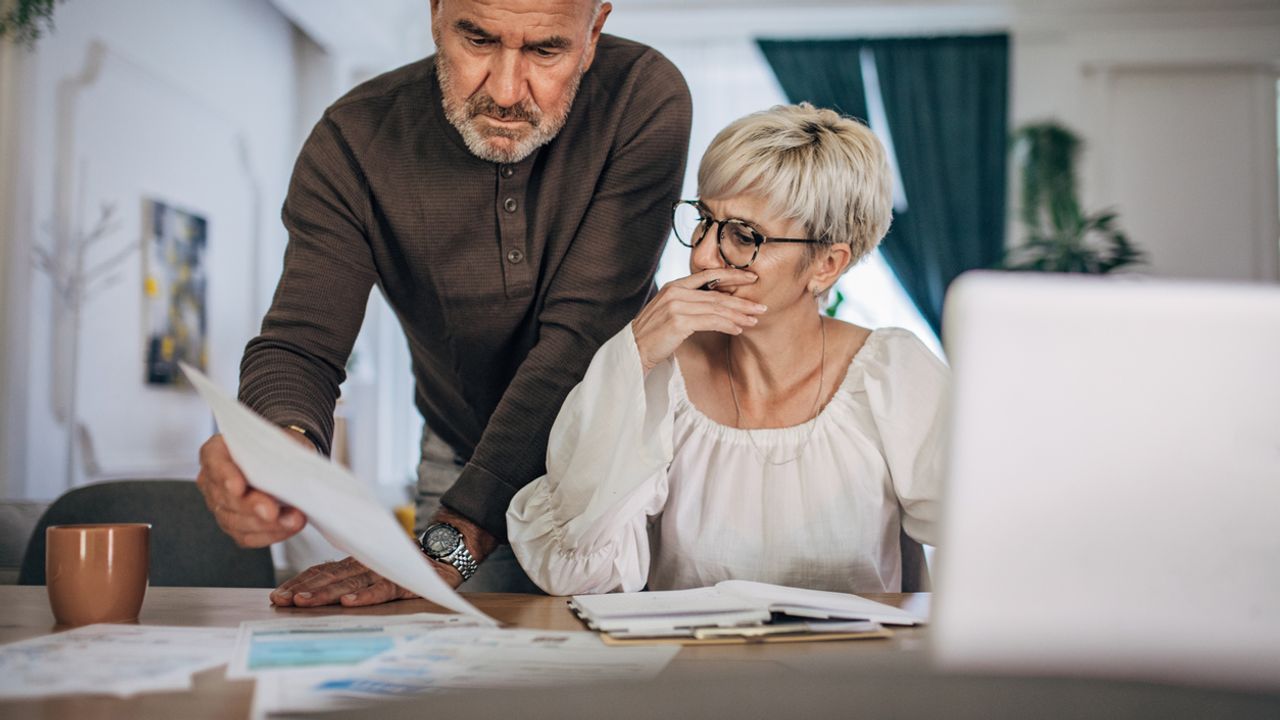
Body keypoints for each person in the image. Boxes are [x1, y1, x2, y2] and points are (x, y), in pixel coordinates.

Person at [194, 0, 698, 604]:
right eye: (478, 40)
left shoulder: (643, 98)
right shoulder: (353, 140)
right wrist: (281, 446)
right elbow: (302, 341)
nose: (507, 92)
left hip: (612, 461)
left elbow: (582, 339)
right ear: (436, 14)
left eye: (545, 50)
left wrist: (461, 532)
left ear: (593, 33)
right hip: (460, 453)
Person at [506, 103, 948, 596]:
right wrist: (631, 358)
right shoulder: (660, 378)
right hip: (688, 672)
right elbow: (577, 573)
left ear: (826, 265)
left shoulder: (892, 375)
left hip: (855, 673)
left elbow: (996, 539)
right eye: (703, 220)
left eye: (743, 236)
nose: (700, 256)